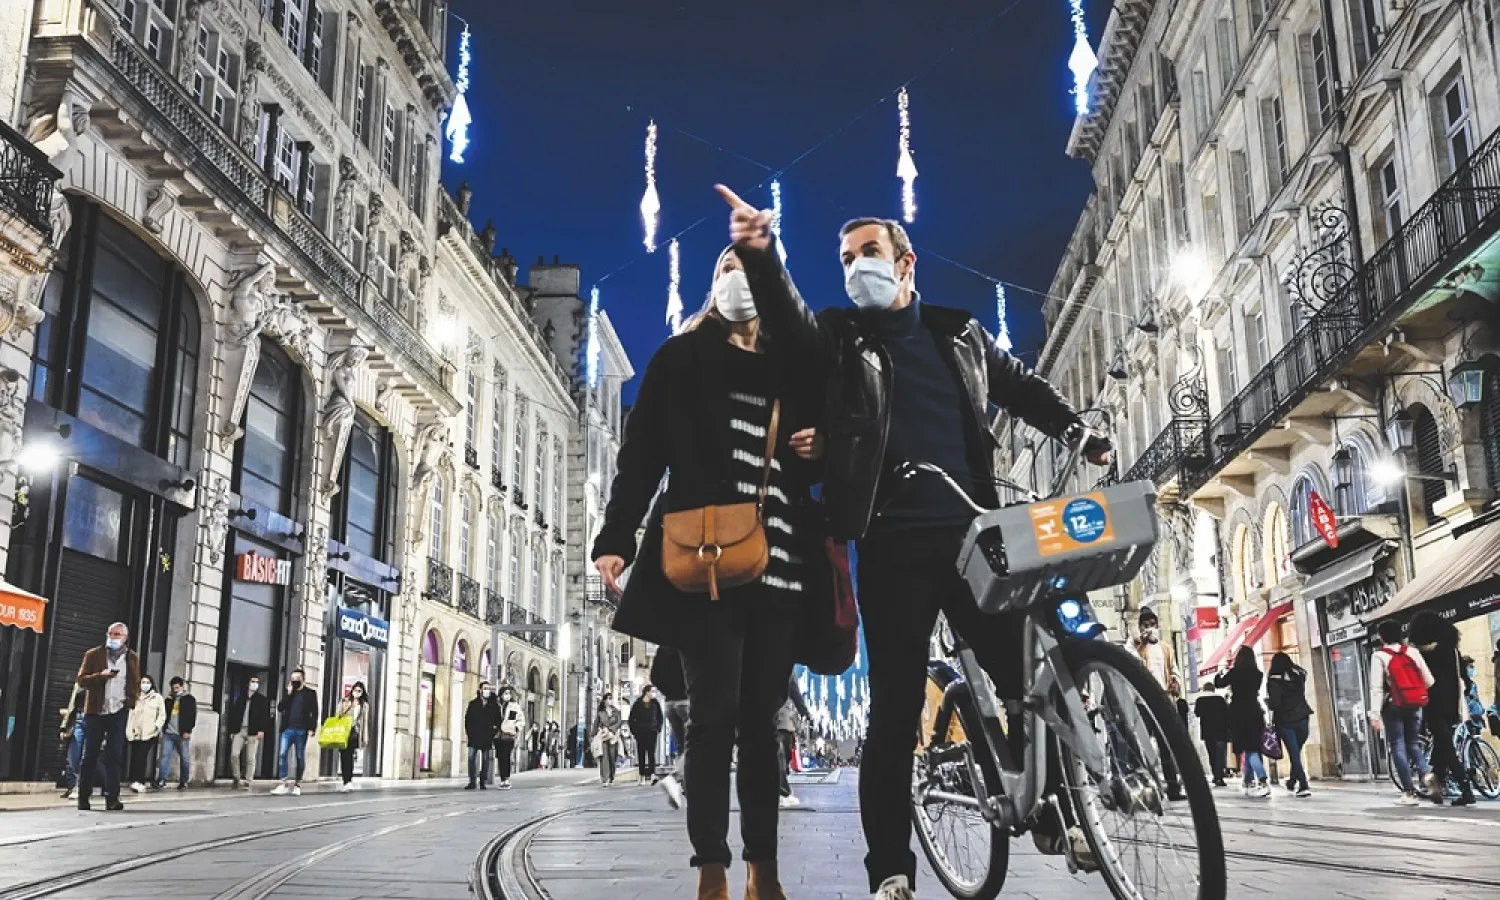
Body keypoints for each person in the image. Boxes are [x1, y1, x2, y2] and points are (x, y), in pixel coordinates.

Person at [715, 188, 1111, 900]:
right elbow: (793, 333)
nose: (856, 266)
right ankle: (891, 870)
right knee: (895, 712)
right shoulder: (839, 337)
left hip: (975, 535)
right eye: (845, 258)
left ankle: (1051, 808)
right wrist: (762, 255)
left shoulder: (959, 332)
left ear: (906, 263)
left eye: (869, 252)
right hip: (892, 543)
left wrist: (1076, 429)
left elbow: (1019, 387)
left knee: (1023, 676)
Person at [593, 241, 835, 900]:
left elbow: (821, 459)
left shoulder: (796, 366)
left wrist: (820, 447)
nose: (738, 278)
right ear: (712, 284)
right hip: (700, 563)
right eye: (726, 267)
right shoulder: (680, 357)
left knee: (760, 718)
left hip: (780, 564)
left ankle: (765, 871)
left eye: (750, 269)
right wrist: (617, 536)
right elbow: (641, 454)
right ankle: (711, 869)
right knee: (712, 715)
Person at [1407, 611, 1475, 806]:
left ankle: (1466, 788)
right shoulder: (1452, 650)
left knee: (1446, 745)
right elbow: (1465, 678)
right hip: (1452, 705)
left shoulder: (1421, 655)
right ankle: (1437, 784)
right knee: (1442, 744)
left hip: (1432, 705)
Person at [75, 622, 141, 811]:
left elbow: (135, 681)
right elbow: (81, 680)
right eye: (111, 633)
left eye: (117, 634)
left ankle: (112, 798)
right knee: (90, 756)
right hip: (95, 712)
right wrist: (100, 676)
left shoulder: (132, 658)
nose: (113, 637)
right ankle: (83, 797)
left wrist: (131, 701)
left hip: (118, 712)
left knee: (114, 756)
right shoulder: (93, 654)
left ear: (125, 637)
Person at [1369, 618, 1434, 805]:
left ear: (1382, 637)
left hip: (1393, 706)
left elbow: (1376, 688)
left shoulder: (1379, 656)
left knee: (1398, 746)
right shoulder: (1412, 652)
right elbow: (1429, 681)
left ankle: (1409, 792)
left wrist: (1375, 715)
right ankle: (1427, 775)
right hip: (1415, 705)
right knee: (1413, 743)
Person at [1133, 608, 1184, 801]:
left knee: (1167, 746)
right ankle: (1147, 789)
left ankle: (1173, 788)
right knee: (1142, 746)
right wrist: (1142, 644)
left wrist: (1175, 680)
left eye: (1153, 624)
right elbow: (1134, 664)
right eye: (1146, 625)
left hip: (1163, 700)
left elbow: (1174, 669)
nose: (1150, 628)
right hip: (1143, 702)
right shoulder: (1136, 647)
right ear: (1140, 628)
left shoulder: (1166, 648)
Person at [1214, 646, 1270, 798]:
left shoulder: (1234, 673)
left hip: (1238, 713)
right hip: (1255, 712)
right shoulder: (1257, 674)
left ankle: (1263, 780)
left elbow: (1219, 684)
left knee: (1249, 749)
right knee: (1252, 747)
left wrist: (1221, 673)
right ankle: (1247, 781)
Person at [1266, 652, 1313, 797]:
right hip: (1303, 717)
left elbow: (1275, 704)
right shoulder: (1299, 676)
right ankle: (1292, 781)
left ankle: (1303, 784)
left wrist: (1268, 702)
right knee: (1296, 752)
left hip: (1285, 721)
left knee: (1294, 754)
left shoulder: (1273, 681)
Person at [652, 646, 690, 810]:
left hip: (670, 703)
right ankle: (675, 779)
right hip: (688, 701)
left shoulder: (664, 648)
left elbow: (654, 677)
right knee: (696, 746)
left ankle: (686, 789)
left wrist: (668, 690)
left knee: (684, 748)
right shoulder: (692, 642)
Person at [273, 668, 319, 796]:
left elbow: (314, 712)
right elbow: (280, 708)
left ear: (303, 679)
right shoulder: (290, 693)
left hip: (302, 730)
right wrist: (288, 694)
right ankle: (283, 783)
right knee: (282, 754)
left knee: (299, 756)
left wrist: (312, 728)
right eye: (292, 679)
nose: (294, 681)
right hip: (288, 729)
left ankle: (297, 784)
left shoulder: (310, 693)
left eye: (297, 679)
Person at [226, 675, 272, 789]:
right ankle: (236, 777)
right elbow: (234, 714)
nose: (255, 683)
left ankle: (248, 780)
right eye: (253, 681)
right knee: (234, 754)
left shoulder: (262, 699)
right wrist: (232, 730)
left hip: (253, 731)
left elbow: (264, 717)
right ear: (248, 683)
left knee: (250, 758)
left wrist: (261, 730)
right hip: (240, 730)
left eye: (257, 682)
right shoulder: (241, 698)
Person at [126, 674, 165, 793]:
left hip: (149, 733)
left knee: (141, 757)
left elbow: (162, 715)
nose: (145, 684)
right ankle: (134, 781)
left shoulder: (157, 698)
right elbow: (131, 715)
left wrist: (156, 727)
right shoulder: (136, 697)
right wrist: (129, 731)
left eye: (147, 682)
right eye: (143, 682)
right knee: (135, 757)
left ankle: (140, 781)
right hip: (136, 733)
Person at [777, 675, 811, 809]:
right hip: (782, 719)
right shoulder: (785, 664)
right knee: (781, 757)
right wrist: (805, 713)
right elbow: (794, 692)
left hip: (762, 715)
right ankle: (782, 792)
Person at [157, 677, 196, 790]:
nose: (175, 690)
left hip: (182, 733)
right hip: (169, 732)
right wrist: (168, 699)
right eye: (173, 688)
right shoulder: (170, 699)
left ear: (182, 687)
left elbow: (192, 716)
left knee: (184, 758)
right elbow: (164, 713)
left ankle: (184, 781)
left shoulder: (189, 699)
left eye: (177, 687)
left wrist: (188, 730)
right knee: (164, 756)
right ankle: (162, 779)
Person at [465, 680, 501, 790]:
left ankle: (482, 781)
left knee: (485, 760)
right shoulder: (473, 704)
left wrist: (493, 732)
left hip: (486, 736)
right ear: (480, 690)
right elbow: (467, 720)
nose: (487, 691)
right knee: (471, 758)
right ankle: (472, 781)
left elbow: (498, 721)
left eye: (489, 689)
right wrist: (469, 733)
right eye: (485, 688)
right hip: (474, 735)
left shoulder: (494, 705)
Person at [1193, 684, 1231, 788]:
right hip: (1221, 731)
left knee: (1211, 754)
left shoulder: (1200, 700)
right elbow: (1227, 714)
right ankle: (1219, 776)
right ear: (1213, 689)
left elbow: (1197, 713)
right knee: (1220, 754)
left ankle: (1215, 774)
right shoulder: (1220, 699)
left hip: (1207, 731)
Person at [336, 681, 370, 791]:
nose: (357, 692)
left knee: (349, 756)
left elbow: (365, 722)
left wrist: (365, 737)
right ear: (352, 690)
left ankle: (348, 781)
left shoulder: (364, 705)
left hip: (354, 733)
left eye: (360, 691)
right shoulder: (344, 701)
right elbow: (337, 715)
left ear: (362, 693)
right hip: (343, 731)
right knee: (343, 756)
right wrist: (348, 706)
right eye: (355, 690)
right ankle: (345, 781)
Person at [630, 685, 666, 785]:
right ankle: (641, 776)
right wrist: (634, 731)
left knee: (651, 753)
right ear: (647, 692)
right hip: (640, 733)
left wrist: (658, 728)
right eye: (652, 691)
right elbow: (632, 718)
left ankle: (652, 775)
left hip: (652, 732)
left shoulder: (655, 703)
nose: (653, 693)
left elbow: (660, 716)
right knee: (641, 754)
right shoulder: (638, 703)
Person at [496, 685, 525, 788]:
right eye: (505, 693)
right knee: (500, 757)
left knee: (506, 756)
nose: (507, 695)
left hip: (509, 735)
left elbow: (521, 719)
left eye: (508, 693)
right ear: (501, 695)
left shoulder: (514, 706)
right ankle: (502, 779)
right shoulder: (497, 705)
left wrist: (516, 728)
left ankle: (507, 779)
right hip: (498, 736)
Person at [591, 694, 622, 787]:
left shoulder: (616, 712)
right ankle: (605, 778)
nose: (610, 701)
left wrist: (612, 730)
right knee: (604, 757)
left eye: (611, 699)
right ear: (604, 701)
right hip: (603, 736)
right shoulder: (600, 712)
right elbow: (596, 724)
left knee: (612, 757)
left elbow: (619, 722)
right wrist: (592, 736)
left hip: (613, 737)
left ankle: (612, 777)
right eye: (608, 699)